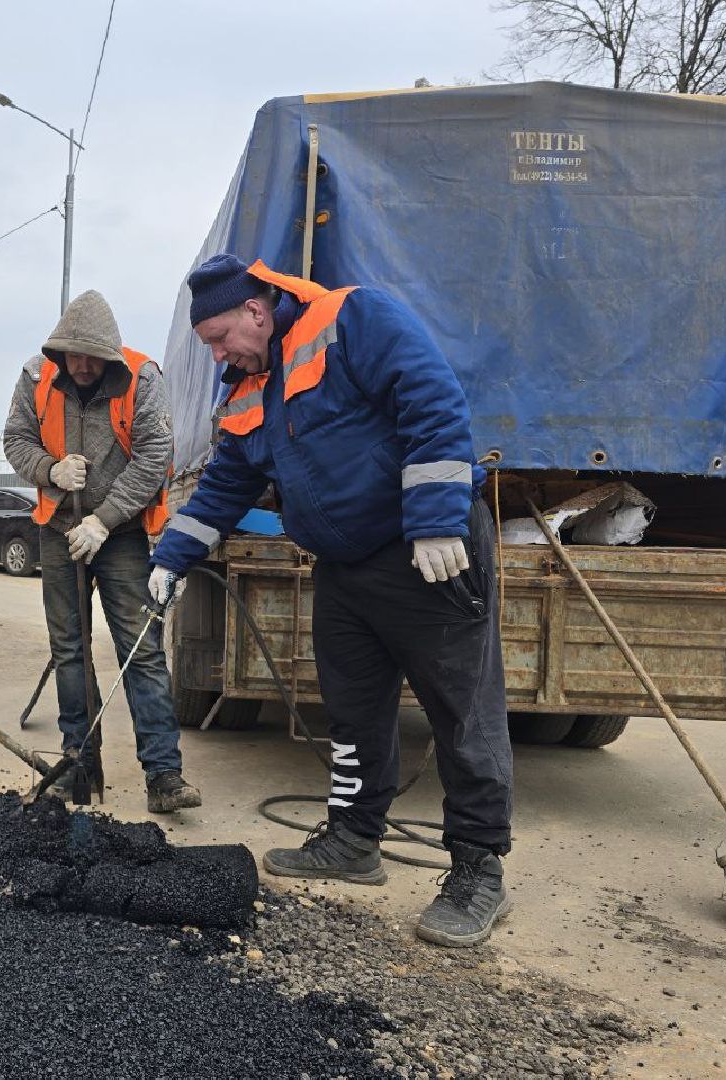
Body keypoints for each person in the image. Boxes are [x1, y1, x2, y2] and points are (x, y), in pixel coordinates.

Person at [148, 254, 513, 947]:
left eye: (220, 338)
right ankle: (353, 839)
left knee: (463, 711)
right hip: (345, 569)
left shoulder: (353, 318)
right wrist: (171, 559)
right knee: (353, 710)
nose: (218, 355)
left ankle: (478, 869)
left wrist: (436, 517)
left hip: (425, 551)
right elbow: (225, 484)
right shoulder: (249, 391)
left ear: (255, 311)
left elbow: (431, 396)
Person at [4, 289, 201, 813]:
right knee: (69, 649)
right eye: (76, 356)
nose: (85, 366)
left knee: (141, 648)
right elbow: (15, 440)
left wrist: (103, 519)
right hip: (57, 528)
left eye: (95, 358)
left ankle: (164, 775)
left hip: (122, 534)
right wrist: (50, 470)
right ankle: (80, 766)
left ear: (112, 353)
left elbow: (155, 455)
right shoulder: (35, 377)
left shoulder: (142, 378)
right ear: (60, 350)